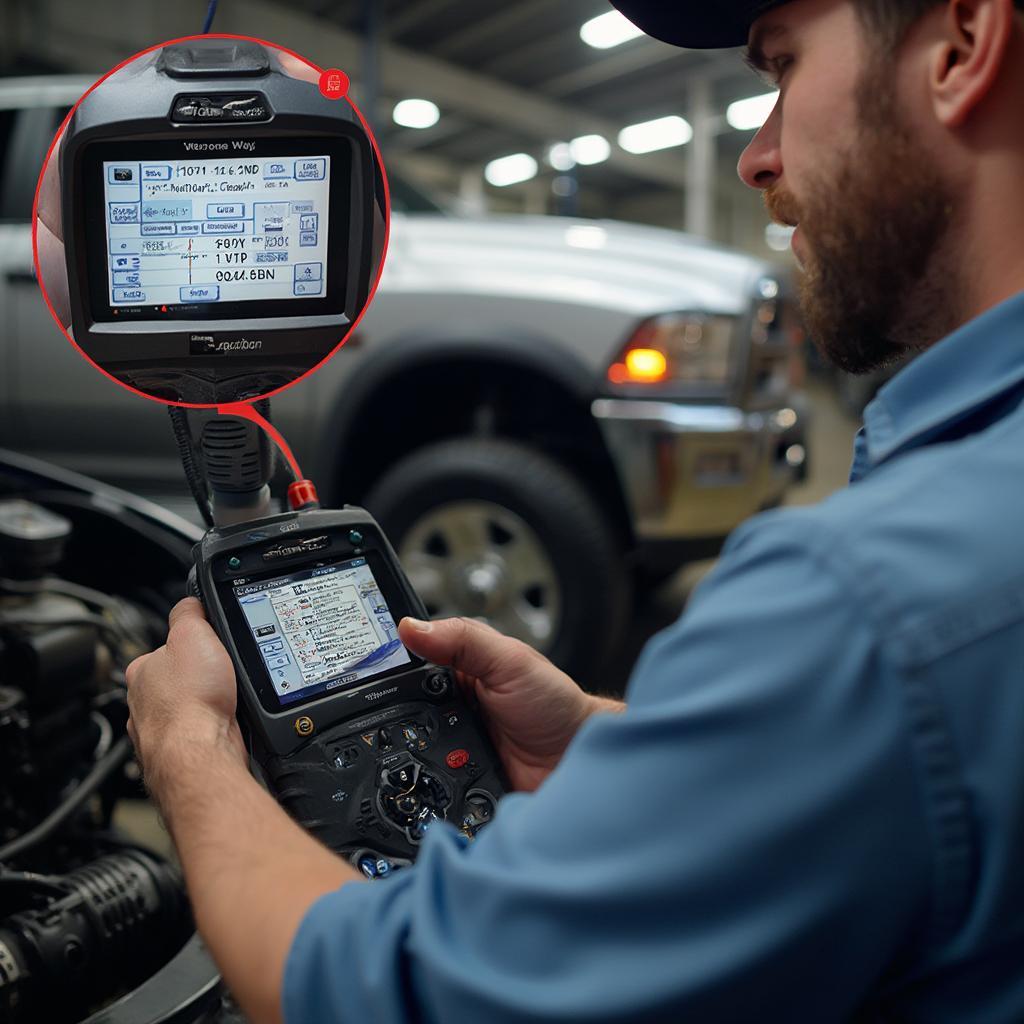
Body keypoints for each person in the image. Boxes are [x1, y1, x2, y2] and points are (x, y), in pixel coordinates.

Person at [125, 1, 1024, 1020]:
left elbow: (390, 993)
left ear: (959, 44)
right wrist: (613, 744)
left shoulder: (863, 608)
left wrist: (188, 751)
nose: (756, 157)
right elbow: (895, 779)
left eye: (783, 67)